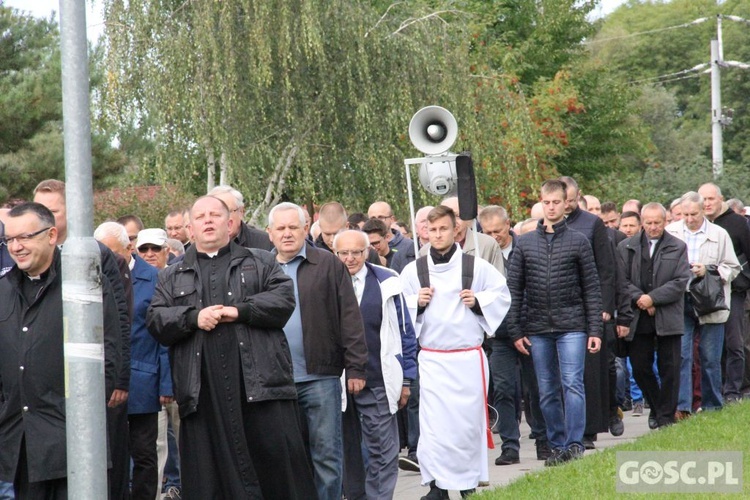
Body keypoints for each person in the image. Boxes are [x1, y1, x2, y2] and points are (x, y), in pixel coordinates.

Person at [146, 195, 315, 499]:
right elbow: (157, 320)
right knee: (210, 481)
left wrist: (240, 310)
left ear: (231, 223)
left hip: (260, 389)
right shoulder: (171, 275)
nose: (208, 220)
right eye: (200, 217)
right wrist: (194, 317)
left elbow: (283, 301)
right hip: (202, 393)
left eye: (215, 215)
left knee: (277, 474)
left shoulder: (261, 261)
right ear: (190, 229)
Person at [0, 202, 120, 499]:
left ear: (52, 235)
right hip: (21, 442)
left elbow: (109, 355)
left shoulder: (85, 284)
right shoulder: (2, 290)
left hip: (74, 442)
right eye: (9, 239)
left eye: (25, 237)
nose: (16, 247)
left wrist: (83, 417)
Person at [400, 205, 510, 499]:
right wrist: (417, 304)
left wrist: (477, 301)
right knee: (435, 428)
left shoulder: (475, 267)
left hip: (467, 359)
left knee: (466, 427)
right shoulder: (415, 270)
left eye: (443, 229)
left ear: (455, 230)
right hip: (433, 360)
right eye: (432, 230)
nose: (437, 235)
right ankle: (437, 486)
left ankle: (466, 484)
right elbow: (399, 310)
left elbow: (502, 295)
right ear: (425, 232)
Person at [266, 202, 367, 500]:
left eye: (293, 227)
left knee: (327, 456)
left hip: (320, 376)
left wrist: (357, 366)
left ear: (306, 228)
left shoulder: (327, 264)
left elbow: (349, 316)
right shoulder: (261, 268)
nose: (287, 234)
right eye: (280, 229)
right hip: (278, 380)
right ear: (270, 234)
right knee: (289, 458)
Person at [508, 180, 603, 466]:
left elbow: (591, 287)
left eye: (556, 202)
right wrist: (515, 330)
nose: (551, 207)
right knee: (546, 389)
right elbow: (513, 289)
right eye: (546, 202)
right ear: (540, 204)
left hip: (572, 324)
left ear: (566, 204)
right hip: (537, 327)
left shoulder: (578, 241)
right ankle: (557, 444)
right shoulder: (524, 244)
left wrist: (595, 328)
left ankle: (575, 443)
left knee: (573, 383)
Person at [334, 230, 418, 500]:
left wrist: (406, 378)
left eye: (356, 252)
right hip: (338, 380)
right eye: (343, 253)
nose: (350, 258)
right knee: (347, 449)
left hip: (379, 376)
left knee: (382, 447)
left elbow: (405, 331)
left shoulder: (387, 281)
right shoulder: (327, 281)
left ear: (367, 250)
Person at [95, 222, 173, 500]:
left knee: (144, 452)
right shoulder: (95, 276)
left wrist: (166, 383)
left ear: (128, 248)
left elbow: (163, 333)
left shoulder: (154, 277)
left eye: (111, 252)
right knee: (111, 453)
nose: (106, 258)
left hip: (143, 378)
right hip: (106, 381)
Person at [666, 191, 740, 417]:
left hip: (710, 301)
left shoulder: (719, 234)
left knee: (709, 357)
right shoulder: (672, 232)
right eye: (685, 214)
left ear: (703, 212)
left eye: (694, 214)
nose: (689, 219)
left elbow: (733, 267)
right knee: (682, 355)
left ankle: (712, 406)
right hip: (681, 299)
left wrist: (708, 270)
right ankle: (682, 406)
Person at [617, 203, 691, 428]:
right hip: (639, 316)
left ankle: (666, 418)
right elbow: (622, 281)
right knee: (639, 366)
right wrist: (641, 298)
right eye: (648, 222)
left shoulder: (677, 246)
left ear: (665, 221)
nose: (652, 227)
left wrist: (654, 298)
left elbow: (680, 281)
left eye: (657, 222)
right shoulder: (626, 246)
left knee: (670, 367)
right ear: (642, 222)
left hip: (668, 315)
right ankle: (659, 407)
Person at [698, 183, 750, 403]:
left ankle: (734, 389)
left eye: (711, 199)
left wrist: (742, 282)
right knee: (710, 345)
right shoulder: (697, 225)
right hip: (702, 294)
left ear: (721, 199)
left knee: (734, 342)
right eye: (704, 199)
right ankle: (716, 389)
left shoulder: (738, 224)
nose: (707, 203)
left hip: (734, 291)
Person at [207, 185, 273, 250]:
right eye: (216, 214)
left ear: (241, 212)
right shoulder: (201, 244)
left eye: (228, 212)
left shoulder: (265, 243)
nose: (223, 219)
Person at [367, 201, 416, 273]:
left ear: (392, 219)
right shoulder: (364, 248)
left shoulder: (409, 245)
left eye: (381, 217)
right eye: (373, 218)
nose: (376, 221)